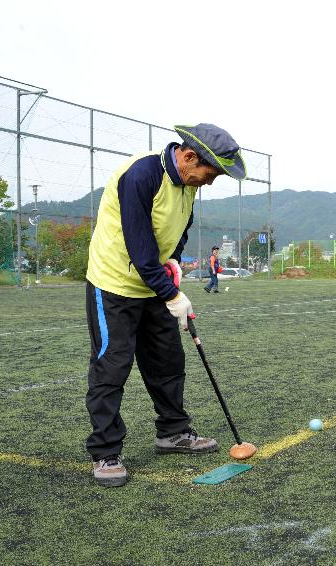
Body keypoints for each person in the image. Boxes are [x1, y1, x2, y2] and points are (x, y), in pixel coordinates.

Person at [83, 123, 246, 487]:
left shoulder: (188, 183)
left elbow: (179, 230)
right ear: (189, 157)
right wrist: (172, 294)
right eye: (211, 172)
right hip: (114, 285)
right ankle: (106, 452)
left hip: (152, 282)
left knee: (168, 361)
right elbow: (139, 248)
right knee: (112, 366)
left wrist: (172, 262)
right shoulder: (141, 175)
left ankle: (172, 433)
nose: (211, 181)